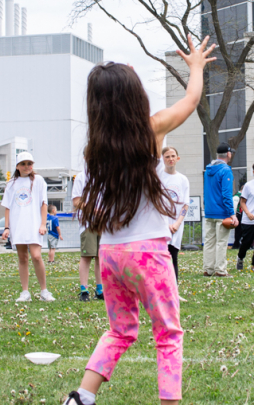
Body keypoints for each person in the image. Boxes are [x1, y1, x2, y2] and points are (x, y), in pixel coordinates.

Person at [62, 36, 214, 405]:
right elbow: (191, 100)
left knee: (120, 330)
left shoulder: (94, 147)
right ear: (134, 95)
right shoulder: (152, 129)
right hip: (148, 254)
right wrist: (195, 67)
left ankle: (82, 397)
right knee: (168, 334)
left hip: (111, 255)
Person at [1, 151, 54, 302]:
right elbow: (8, 207)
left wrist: (43, 224)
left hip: (34, 224)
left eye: (29, 164)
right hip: (18, 225)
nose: (26, 167)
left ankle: (44, 291)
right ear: (17, 166)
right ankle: (25, 292)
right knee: (23, 257)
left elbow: (43, 203)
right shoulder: (11, 184)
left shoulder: (38, 180)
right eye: (23, 164)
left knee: (36, 256)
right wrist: (7, 227)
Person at [202, 143, 237, 277]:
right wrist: (232, 213)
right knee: (221, 242)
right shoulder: (226, 170)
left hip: (209, 211)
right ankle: (220, 270)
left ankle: (208, 269)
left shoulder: (208, 170)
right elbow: (226, 194)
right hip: (222, 213)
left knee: (209, 242)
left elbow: (206, 191)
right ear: (228, 154)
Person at [160, 146, 189, 297]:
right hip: (161, 224)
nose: (170, 159)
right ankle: (160, 291)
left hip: (177, 225)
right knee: (160, 258)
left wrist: (177, 223)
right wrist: (165, 223)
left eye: (173, 156)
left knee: (173, 257)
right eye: (167, 156)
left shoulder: (183, 179)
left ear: (177, 158)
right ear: (163, 159)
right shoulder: (158, 177)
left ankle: (173, 293)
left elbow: (185, 204)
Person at [73, 169, 104, 302]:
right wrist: (94, 210)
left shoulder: (106, 175)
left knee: (100, 257)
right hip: (88, 223)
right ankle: (84, 290)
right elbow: (76, 201)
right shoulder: (81, 176)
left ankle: (100, 290)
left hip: (104, 222)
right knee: (87, 256)